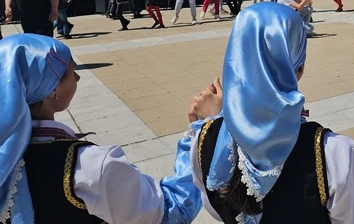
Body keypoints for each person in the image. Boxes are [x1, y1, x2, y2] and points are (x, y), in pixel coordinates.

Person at [185, 3, 354, 223]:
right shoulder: (335, 153)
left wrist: (218, 119)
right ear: (299, 66)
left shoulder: (204, 140)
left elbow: (218, 210)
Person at [0, 34, 202, 223]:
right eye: (71, 72)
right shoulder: (89, 165)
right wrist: (200, 132)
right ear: (52, 89)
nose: (78, 78)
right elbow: (169, 211)